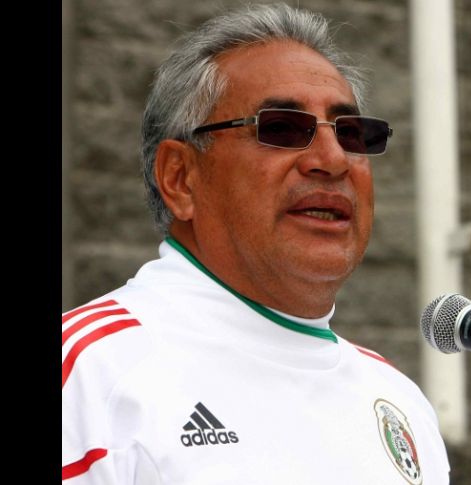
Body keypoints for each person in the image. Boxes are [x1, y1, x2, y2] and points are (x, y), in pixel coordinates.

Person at [61, 3, 450, 483]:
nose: (332, 160)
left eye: (350, 133)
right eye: (282, 128)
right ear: (180, 178)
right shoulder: (89, 374)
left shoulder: (400, 402)